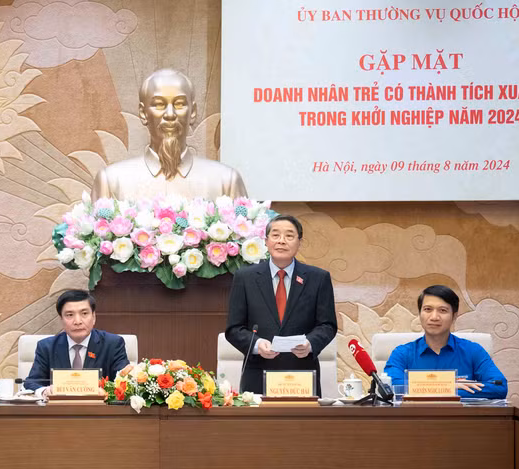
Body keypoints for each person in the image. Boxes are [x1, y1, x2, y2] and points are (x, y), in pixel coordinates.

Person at [91, 68, 248, 202]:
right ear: (143, 113)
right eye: (159, 104)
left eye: (179, 104)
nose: (170, 114)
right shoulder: (111, 181)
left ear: (192, 112)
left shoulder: (226, 181)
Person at [226, 215, 337, 395]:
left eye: (289, 236)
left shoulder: (318, 278)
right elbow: (234, 328)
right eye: (275, 235)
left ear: (299, 242)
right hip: (257, 377)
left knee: (301, 424)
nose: (281, 241)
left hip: (302, 376)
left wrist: (310, 343)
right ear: (266, 241)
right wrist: (257, 344)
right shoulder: (245, 278)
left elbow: (327, 325)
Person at [384, 285, 508, 399]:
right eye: (427, 309)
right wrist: (448, 387)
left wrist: (427, 389)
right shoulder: (402, 353)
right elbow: (393, 388)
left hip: (460, 421)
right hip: (417, 421)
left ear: (454, 316)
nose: (434, 317)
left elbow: (499, 387)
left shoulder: (473, 351)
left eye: (442, 310)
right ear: (420, 314)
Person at [24, 289, 130, 396]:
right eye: (70, 315)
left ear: (93, 317)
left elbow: (124, 381)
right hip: (59, 410)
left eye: (84, 313)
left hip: (98, 410)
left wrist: (107, 392)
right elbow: (31, 382)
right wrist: (44, 391)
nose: (77, 321)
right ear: (61, 320)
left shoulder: (113, 344)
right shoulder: (46, 347)